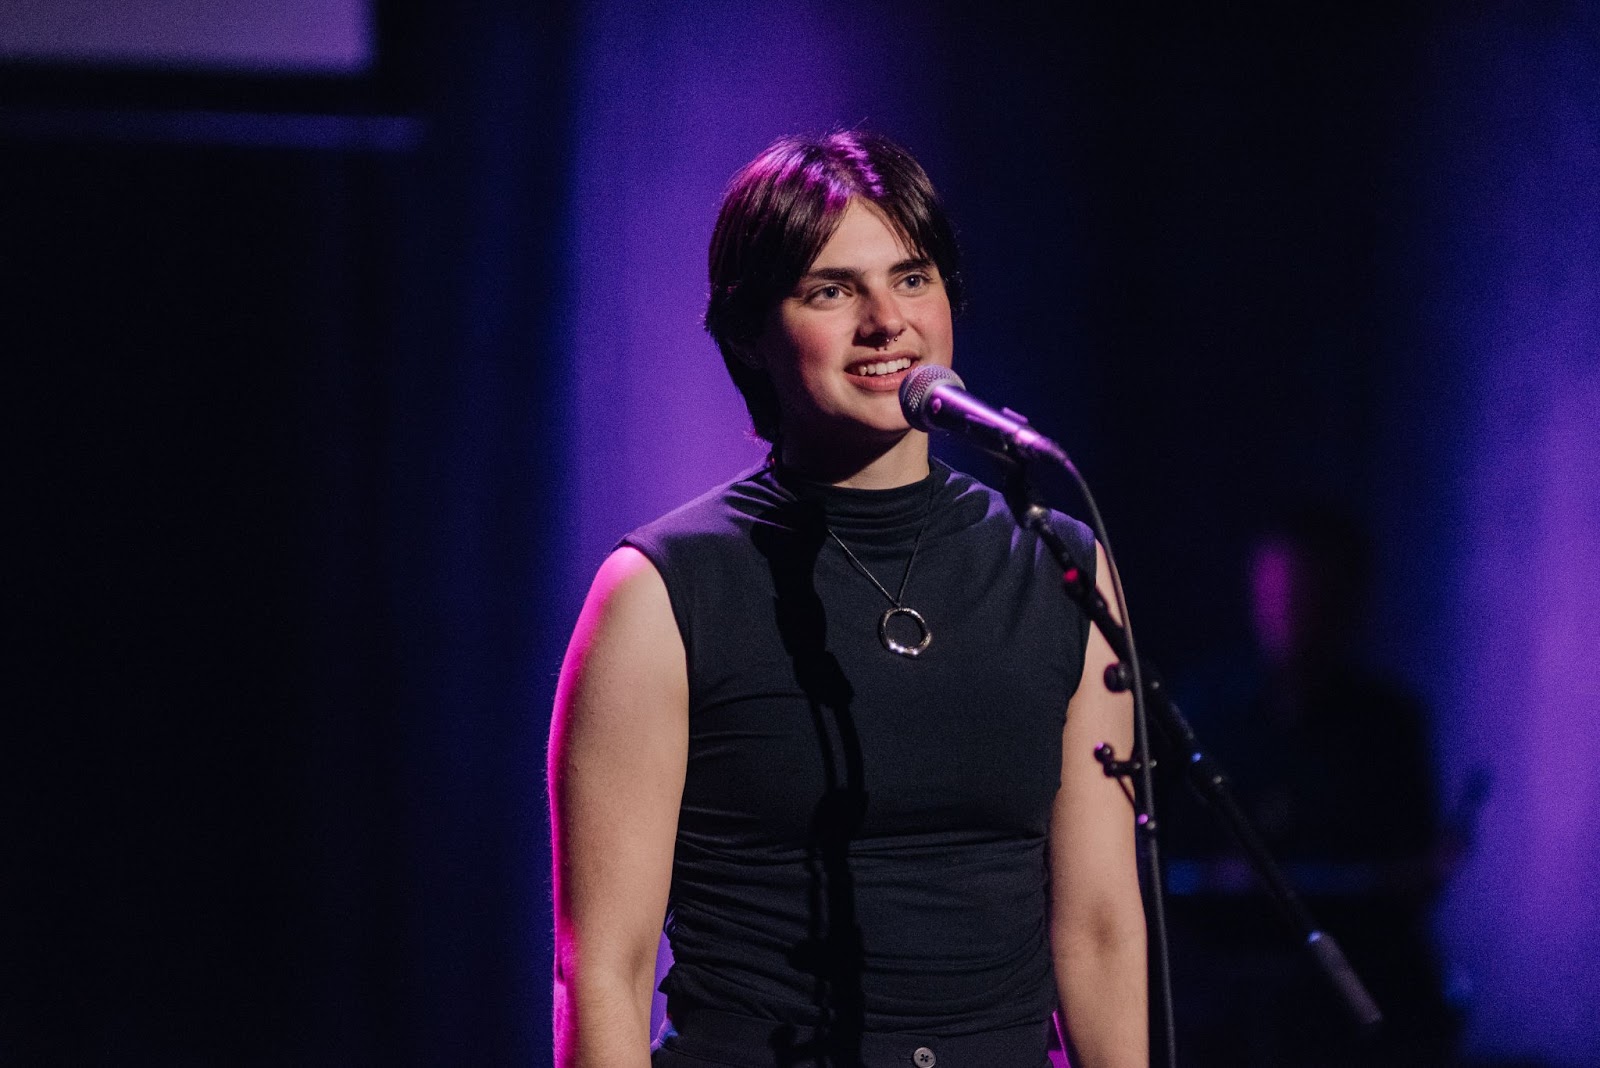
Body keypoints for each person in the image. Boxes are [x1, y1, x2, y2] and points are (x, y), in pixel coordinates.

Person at [549, 130, 1148, 1068]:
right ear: (751, 331)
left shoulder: (1056, 564)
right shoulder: (663, 592)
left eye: (912, 279)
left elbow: (1102, 929)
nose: (885, 322)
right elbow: (605, 972)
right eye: (832, 290)